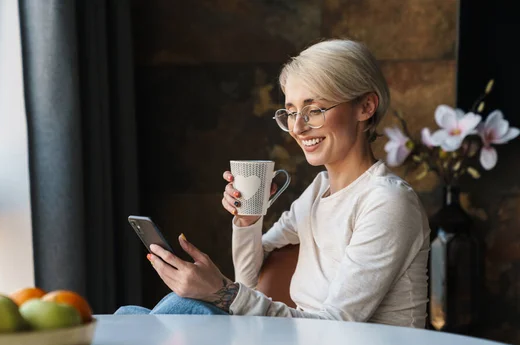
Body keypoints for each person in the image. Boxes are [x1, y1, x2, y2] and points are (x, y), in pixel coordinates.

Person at [116, 39, 430, 328]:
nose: (298, 128)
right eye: (291, 113)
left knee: (156, 316)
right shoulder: (318, 191)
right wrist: (249, 220)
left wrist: (220, 293)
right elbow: (250, 280)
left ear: (365, 107)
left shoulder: (386, 202)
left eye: (315, 110)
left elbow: (337, 326)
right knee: (141, 317)